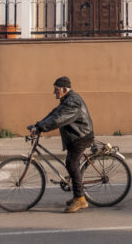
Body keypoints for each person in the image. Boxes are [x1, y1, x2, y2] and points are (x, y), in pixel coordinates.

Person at [29, 76, 94, 213]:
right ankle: (78, 194)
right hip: (75, 136)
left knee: (72, 164)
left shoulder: (72, 102)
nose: (54, 92)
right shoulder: (67, 99)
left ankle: (80, 199)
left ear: (64, 89)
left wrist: (41, 128)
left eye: (56, 89)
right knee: (70, 163)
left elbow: (58, 120)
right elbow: (54, 114)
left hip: (80, 136)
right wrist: (38, 125)